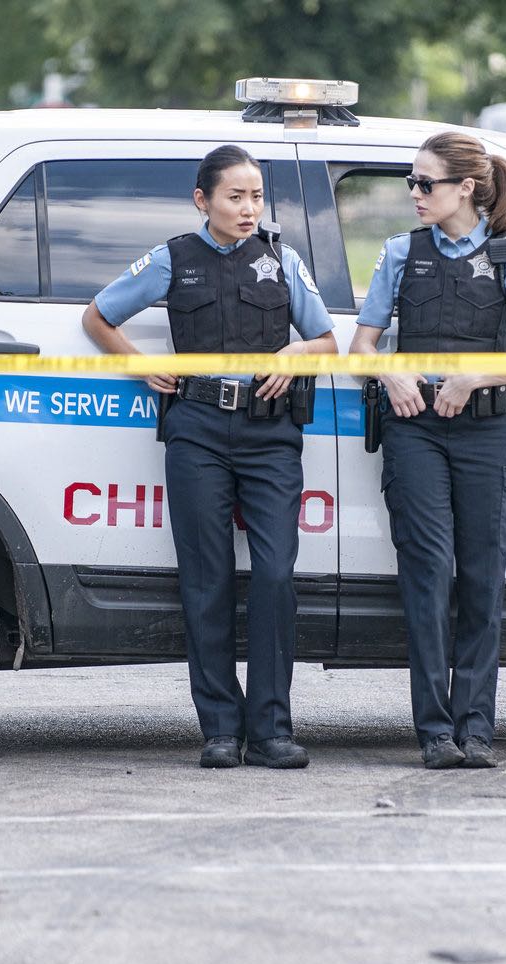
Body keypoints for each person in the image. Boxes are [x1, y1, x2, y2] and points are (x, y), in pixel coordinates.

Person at [83, 145, 337, 770]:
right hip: (196, 428)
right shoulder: (173, 259)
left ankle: (272, 729)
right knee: (208, 580)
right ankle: (220, 727)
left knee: (276, 575)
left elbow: (327, 339)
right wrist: (141, 366)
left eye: (256, 197)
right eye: (235, 197)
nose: (249, 209)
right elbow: (99, 315)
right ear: (203, 200)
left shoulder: (282, 261)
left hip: (270, 434)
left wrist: (292, 358)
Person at [350, 131, 506, 770]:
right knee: (428, 576)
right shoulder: (398, 254)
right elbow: (362, 347)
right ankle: (435, 731)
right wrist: (391, 374)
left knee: (483, 579)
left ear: (465, 188)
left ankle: (478, 729)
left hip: (486, 430)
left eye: (425, 183)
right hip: (414, 431)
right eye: (411, 182)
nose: (413, 193)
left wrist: (474, 377)